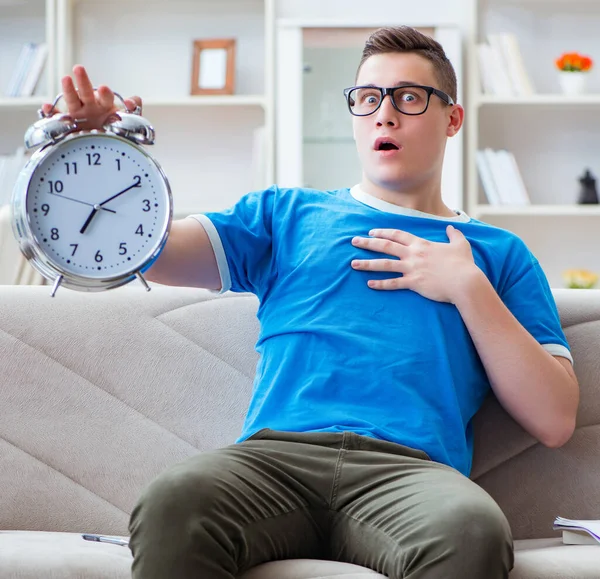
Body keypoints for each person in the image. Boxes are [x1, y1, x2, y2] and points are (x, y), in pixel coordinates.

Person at [46, 26, 579, 579]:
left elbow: (555, 418)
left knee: (472, 529)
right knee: (174, 500)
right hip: (275, 460)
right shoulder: (286, 215)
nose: (385, 114)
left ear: (452, 118)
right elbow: (146, 253)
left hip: (410, 475)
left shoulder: (499, 254)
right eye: (368, 98)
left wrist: (468, 287)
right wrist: (101, 154)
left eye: (409, 97)